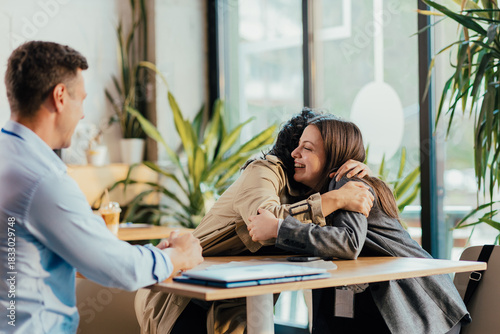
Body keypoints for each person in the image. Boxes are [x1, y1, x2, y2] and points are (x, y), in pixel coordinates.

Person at [0, 41, 203, 333]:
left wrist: (147, 254)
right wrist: (177, 257)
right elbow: (118, 269)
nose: (82, 114)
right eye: (80, 100)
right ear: (59, 96)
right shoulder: (43, 180)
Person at [136, 109, 374, 334]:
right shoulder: (264, 171)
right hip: (188, 298)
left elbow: (344, 239)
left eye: (308, 148)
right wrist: (333, 198)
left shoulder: (315, 189)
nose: (295, 153)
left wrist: (351, 173)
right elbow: (264, 219)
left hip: (239, 303)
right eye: (298, 145)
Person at [247, 115, 470, 334]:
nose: (295, 153)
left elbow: (348, 242)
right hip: (394, 307)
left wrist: (278, 228)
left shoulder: (348, 183)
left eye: (307, 148)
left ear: (332, 156)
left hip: (423, 311)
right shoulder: (322, 194)